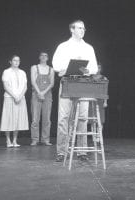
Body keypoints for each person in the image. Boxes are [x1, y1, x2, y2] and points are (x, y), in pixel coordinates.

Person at [52, 20, 98, 162]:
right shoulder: (63, 46)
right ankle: (61, 151)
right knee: (64, 118)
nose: (82, 30)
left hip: (82, 84)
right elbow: (56, 65)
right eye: (79, 28)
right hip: (67, 83)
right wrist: (67, 68)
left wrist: (86, 70)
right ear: (72, 29)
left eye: (84, 28)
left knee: (82, 118)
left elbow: (94, 68)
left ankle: (82, 151)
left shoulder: (88, 48)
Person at [0, 55, 29, 147]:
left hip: (20, 98)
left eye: (18, 60)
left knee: (17, 119)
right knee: (8, 118)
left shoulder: (22, 72)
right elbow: (6, 86)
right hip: (9, 97)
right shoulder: (6, 72)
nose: (17, 62)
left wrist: (19, 96)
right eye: (14, 60)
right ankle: (8, 140)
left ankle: (15, 141)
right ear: (10, 61)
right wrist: (14, 96)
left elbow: (25, 86)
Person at [30, 52, 54, 146]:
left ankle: (45, 139)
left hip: (47, 95)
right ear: (39, 57)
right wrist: (39, 92)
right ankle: (35, 139)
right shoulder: (34, 67)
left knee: (47, 119)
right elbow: (33, 81)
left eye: (46, 56)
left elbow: (51, 84)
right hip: (36, 94)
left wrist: (43, 92)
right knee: (35, 118)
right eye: (42, 55)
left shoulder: (51, 69)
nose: (44, 57)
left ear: (48, 58)